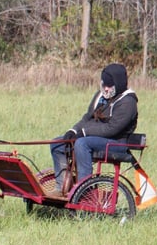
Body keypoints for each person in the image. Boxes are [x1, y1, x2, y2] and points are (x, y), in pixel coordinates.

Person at [50, 63, 138, 195]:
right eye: (104, 85)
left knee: (82, 143)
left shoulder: (128, 102)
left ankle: (83, 190)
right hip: (96, 138)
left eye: (110, 86)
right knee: (57, 143)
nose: (106, 89)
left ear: (119, 83)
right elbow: (87, 117)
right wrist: (73, 131)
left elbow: (112, 129)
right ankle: (61, 186)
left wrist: (83, 133)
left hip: (117, 142)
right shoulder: (100, 96)